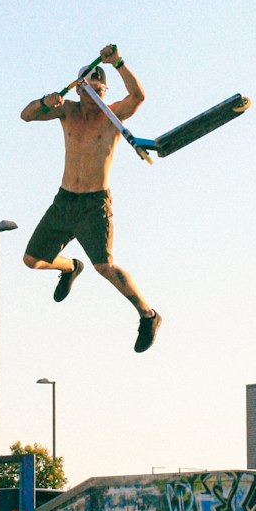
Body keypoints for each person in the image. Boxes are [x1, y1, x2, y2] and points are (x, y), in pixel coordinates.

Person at [21, 45, 161, 353]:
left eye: (98, 90)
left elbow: (138, 97)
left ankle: (148, 315)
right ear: (78, 88)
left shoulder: (111, 115)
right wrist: (46, 102)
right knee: (31, 260)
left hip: (93, 205)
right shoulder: (67, 111)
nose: (92, 97)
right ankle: (70, 267)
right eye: (87, 90)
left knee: (105, 266)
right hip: (64, 202)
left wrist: (119, 63)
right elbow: (26, 115)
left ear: (105, 91)